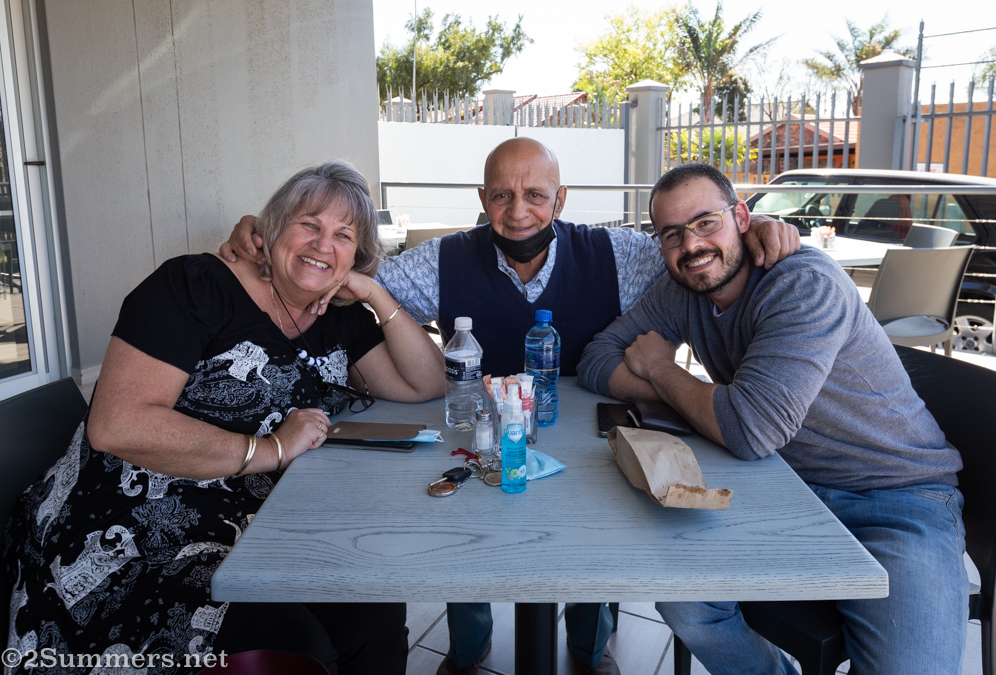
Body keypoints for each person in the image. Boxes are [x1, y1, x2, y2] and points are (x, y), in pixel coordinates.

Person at [222, 138, 799, 675]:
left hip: (584, 432)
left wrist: (758, 230)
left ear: (562, 198)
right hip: (478, 427)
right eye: (501, 194)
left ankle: (589, 649)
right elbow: (346, 272)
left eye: (535, 195)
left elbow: (693, 250)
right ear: (482, 199)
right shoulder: (440, 260)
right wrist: (266, 238)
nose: (517, 210)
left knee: (594, 538)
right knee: (463, 539)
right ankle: (468, 650)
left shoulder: (620, 254)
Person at [3, 161, 444, 674]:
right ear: (272, 227)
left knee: (376, 615)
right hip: (132, 525)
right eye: (309, 224)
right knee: (296, 648)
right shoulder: (195, 286)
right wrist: (272, 449)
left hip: (262, 521)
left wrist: (373, 293)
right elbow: (116, 426)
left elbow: (424, 383)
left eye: (343, 236)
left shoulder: (337, 316)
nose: (323, 245)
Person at [578, 163, 968, 675]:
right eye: (671, 234)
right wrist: (701, 401)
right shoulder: (682, 292)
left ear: (742, 216)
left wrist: (659, 369)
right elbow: (595, 359)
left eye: (706, 222)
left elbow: (750, 429)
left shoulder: (803, 284)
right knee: (683, 600)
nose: (691, 245)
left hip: (897, 495)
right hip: (781, 485)